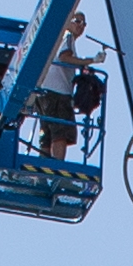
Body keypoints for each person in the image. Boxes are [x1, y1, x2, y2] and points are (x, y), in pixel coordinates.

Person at [35, 17, 89, 165]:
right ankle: (57, 168)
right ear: (69, 21)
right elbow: (64, 57)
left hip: (44, 92)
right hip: (58, 93)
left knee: (47, 133)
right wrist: (89, 61)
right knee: (60, 133)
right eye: (78, 21)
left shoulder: (56, 39)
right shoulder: (67, 36)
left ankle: (42, 173)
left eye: (84, 23)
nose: (81, 25)